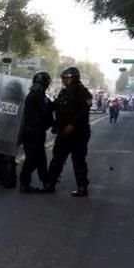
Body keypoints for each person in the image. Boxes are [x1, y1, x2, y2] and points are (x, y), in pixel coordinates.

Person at [45, 67, 94, 197]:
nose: (64, 81)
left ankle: (82, 187)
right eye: (63, 78)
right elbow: (55, 105)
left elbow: (84, 111)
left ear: (74, 78)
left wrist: (72, 125)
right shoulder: (63, 92)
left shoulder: (82, 92)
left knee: (78, 160)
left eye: (67, 78)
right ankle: (50, 184)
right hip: (63, 132)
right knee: (57, 158)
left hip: (78, 132)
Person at [19, 71, 54, 194]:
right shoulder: (38, 96)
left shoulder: (33, 95)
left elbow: (49, 107)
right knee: (33, 159)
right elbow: (46, 112)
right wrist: (53, 123)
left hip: (33, 131)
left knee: (40, 158)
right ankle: (24, 183)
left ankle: (46, 182)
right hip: (34, 132)